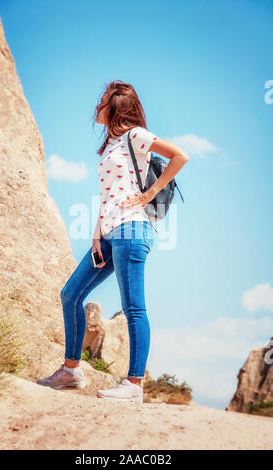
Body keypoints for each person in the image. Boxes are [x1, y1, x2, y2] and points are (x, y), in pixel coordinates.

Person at [36, 80, 189, 404]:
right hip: (107, 233)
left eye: (102, 101)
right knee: (70, 294)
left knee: (134, 307)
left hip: (133, 230)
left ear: (117, 107)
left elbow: (180, 156)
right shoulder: (109, 147)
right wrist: (96, 233)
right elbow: (108, 194)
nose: (96, 106)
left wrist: (148, 194)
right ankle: (72, 370)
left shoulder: (135, 136)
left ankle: (134, 384)